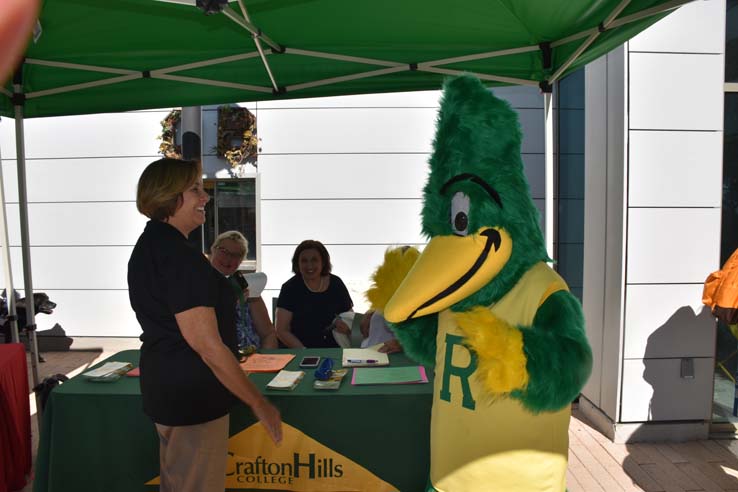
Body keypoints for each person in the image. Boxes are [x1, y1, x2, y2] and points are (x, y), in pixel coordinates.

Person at [127, 158, 282, 492]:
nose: (205, 197)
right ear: (170, 196)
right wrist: (258, 403)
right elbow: (207, 345)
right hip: (191, 395)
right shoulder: (178, 256)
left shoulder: (151, 246)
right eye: (195, 189)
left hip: (169, 387)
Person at [209, 230, 277, 354]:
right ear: (213, 250)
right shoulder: (199, 285)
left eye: (237, 255)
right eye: (224, 251)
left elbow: (268, 334)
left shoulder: (246, 285)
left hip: (254, 360)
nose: (229, 258)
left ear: (241, 261)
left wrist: (265, 360)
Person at [275, 240, 353, 348]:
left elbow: (350, 317)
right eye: (304, 261)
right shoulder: (290, 288)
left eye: (314, 260)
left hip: (335, 350)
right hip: (300, 351)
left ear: (323, 262)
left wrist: (347, 327)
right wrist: (304, 352)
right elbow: (281, 330)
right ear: (297, 263)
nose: (309, 265)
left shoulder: (336, 283)